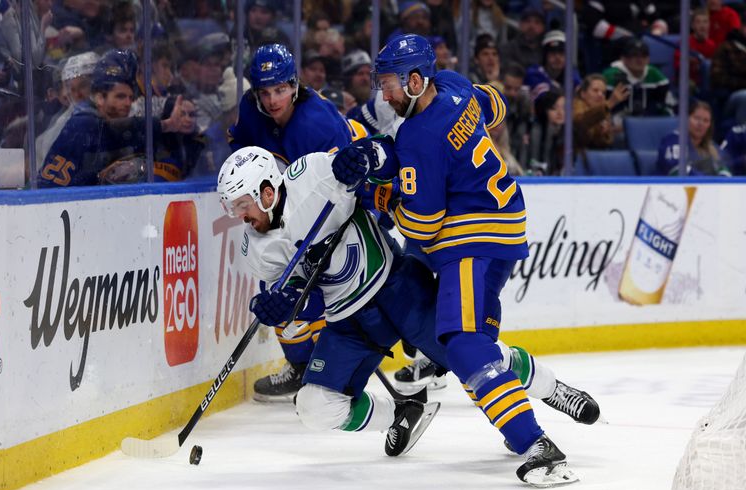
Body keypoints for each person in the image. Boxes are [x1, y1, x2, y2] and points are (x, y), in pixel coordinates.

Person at [218, 145, 600, 467]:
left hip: (398, 288)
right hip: (348, 321)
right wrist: (285, 307)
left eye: (242, 204)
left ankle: (550, 387)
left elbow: (380, 157)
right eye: (233, 208)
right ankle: (401, 412)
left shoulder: (314, 174)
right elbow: (304, 298)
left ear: (268, 190)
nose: (240, 216)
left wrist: (366, 156)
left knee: (474, 358)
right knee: (315, 405)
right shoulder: (256, 249)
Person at [332, 33, 579, 485]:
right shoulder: (453, 84)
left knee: (462, 344)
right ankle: (534, 395)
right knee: (472, 346)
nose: (383, 95)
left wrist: (384, 194)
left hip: (472, 239)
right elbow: (496, 105)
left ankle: (537, 446)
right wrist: (394, 161)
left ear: (413, 79)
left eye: (388, 84)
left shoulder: (418, 136)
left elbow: (423, 229)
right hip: (507, 224)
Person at [228, 43, 352, 402]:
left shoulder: (319, 124)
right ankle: (299, 368)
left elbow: (348, 185)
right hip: (285, 209)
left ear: (295, 85)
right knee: (277, 284)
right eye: (264, 91)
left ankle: (337, 364)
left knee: (328, 287)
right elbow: (242, 152)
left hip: (337, 206)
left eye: (280, 90)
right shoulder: (252, 110)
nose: (271, 100)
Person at [38, 48, 186, 187]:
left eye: (130, 97)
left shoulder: (125, 120)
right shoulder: (81, 122)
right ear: (99, 97)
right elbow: (113, 128)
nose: (127, 103)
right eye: (120, 97)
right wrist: (165, 125)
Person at [602, 37, 674, 124]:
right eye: (634, 55)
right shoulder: (612, 76)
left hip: (649, 123)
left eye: (643, 55)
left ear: (648, 59)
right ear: (623, 58)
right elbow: (600, 107)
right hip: (617, 124)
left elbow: (666, 105)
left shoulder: (655, 76)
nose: (639, 60)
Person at [656, 100, 729, 176]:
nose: (700, 124)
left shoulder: (713, 147)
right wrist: (707, 181)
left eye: (706, 120)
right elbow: (677, 171)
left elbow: (725, 171)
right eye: (696, 118)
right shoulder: (672, 141)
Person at [573, 73, 629, 154]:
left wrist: (604, 133)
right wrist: (610, 103)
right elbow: (580, 123)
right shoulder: (575, 106)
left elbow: (605, 143)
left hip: (597, 156)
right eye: (595, 90)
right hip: (576, 158)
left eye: (603, 93)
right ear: (583, 94)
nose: (600, 95)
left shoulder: (603, 110)